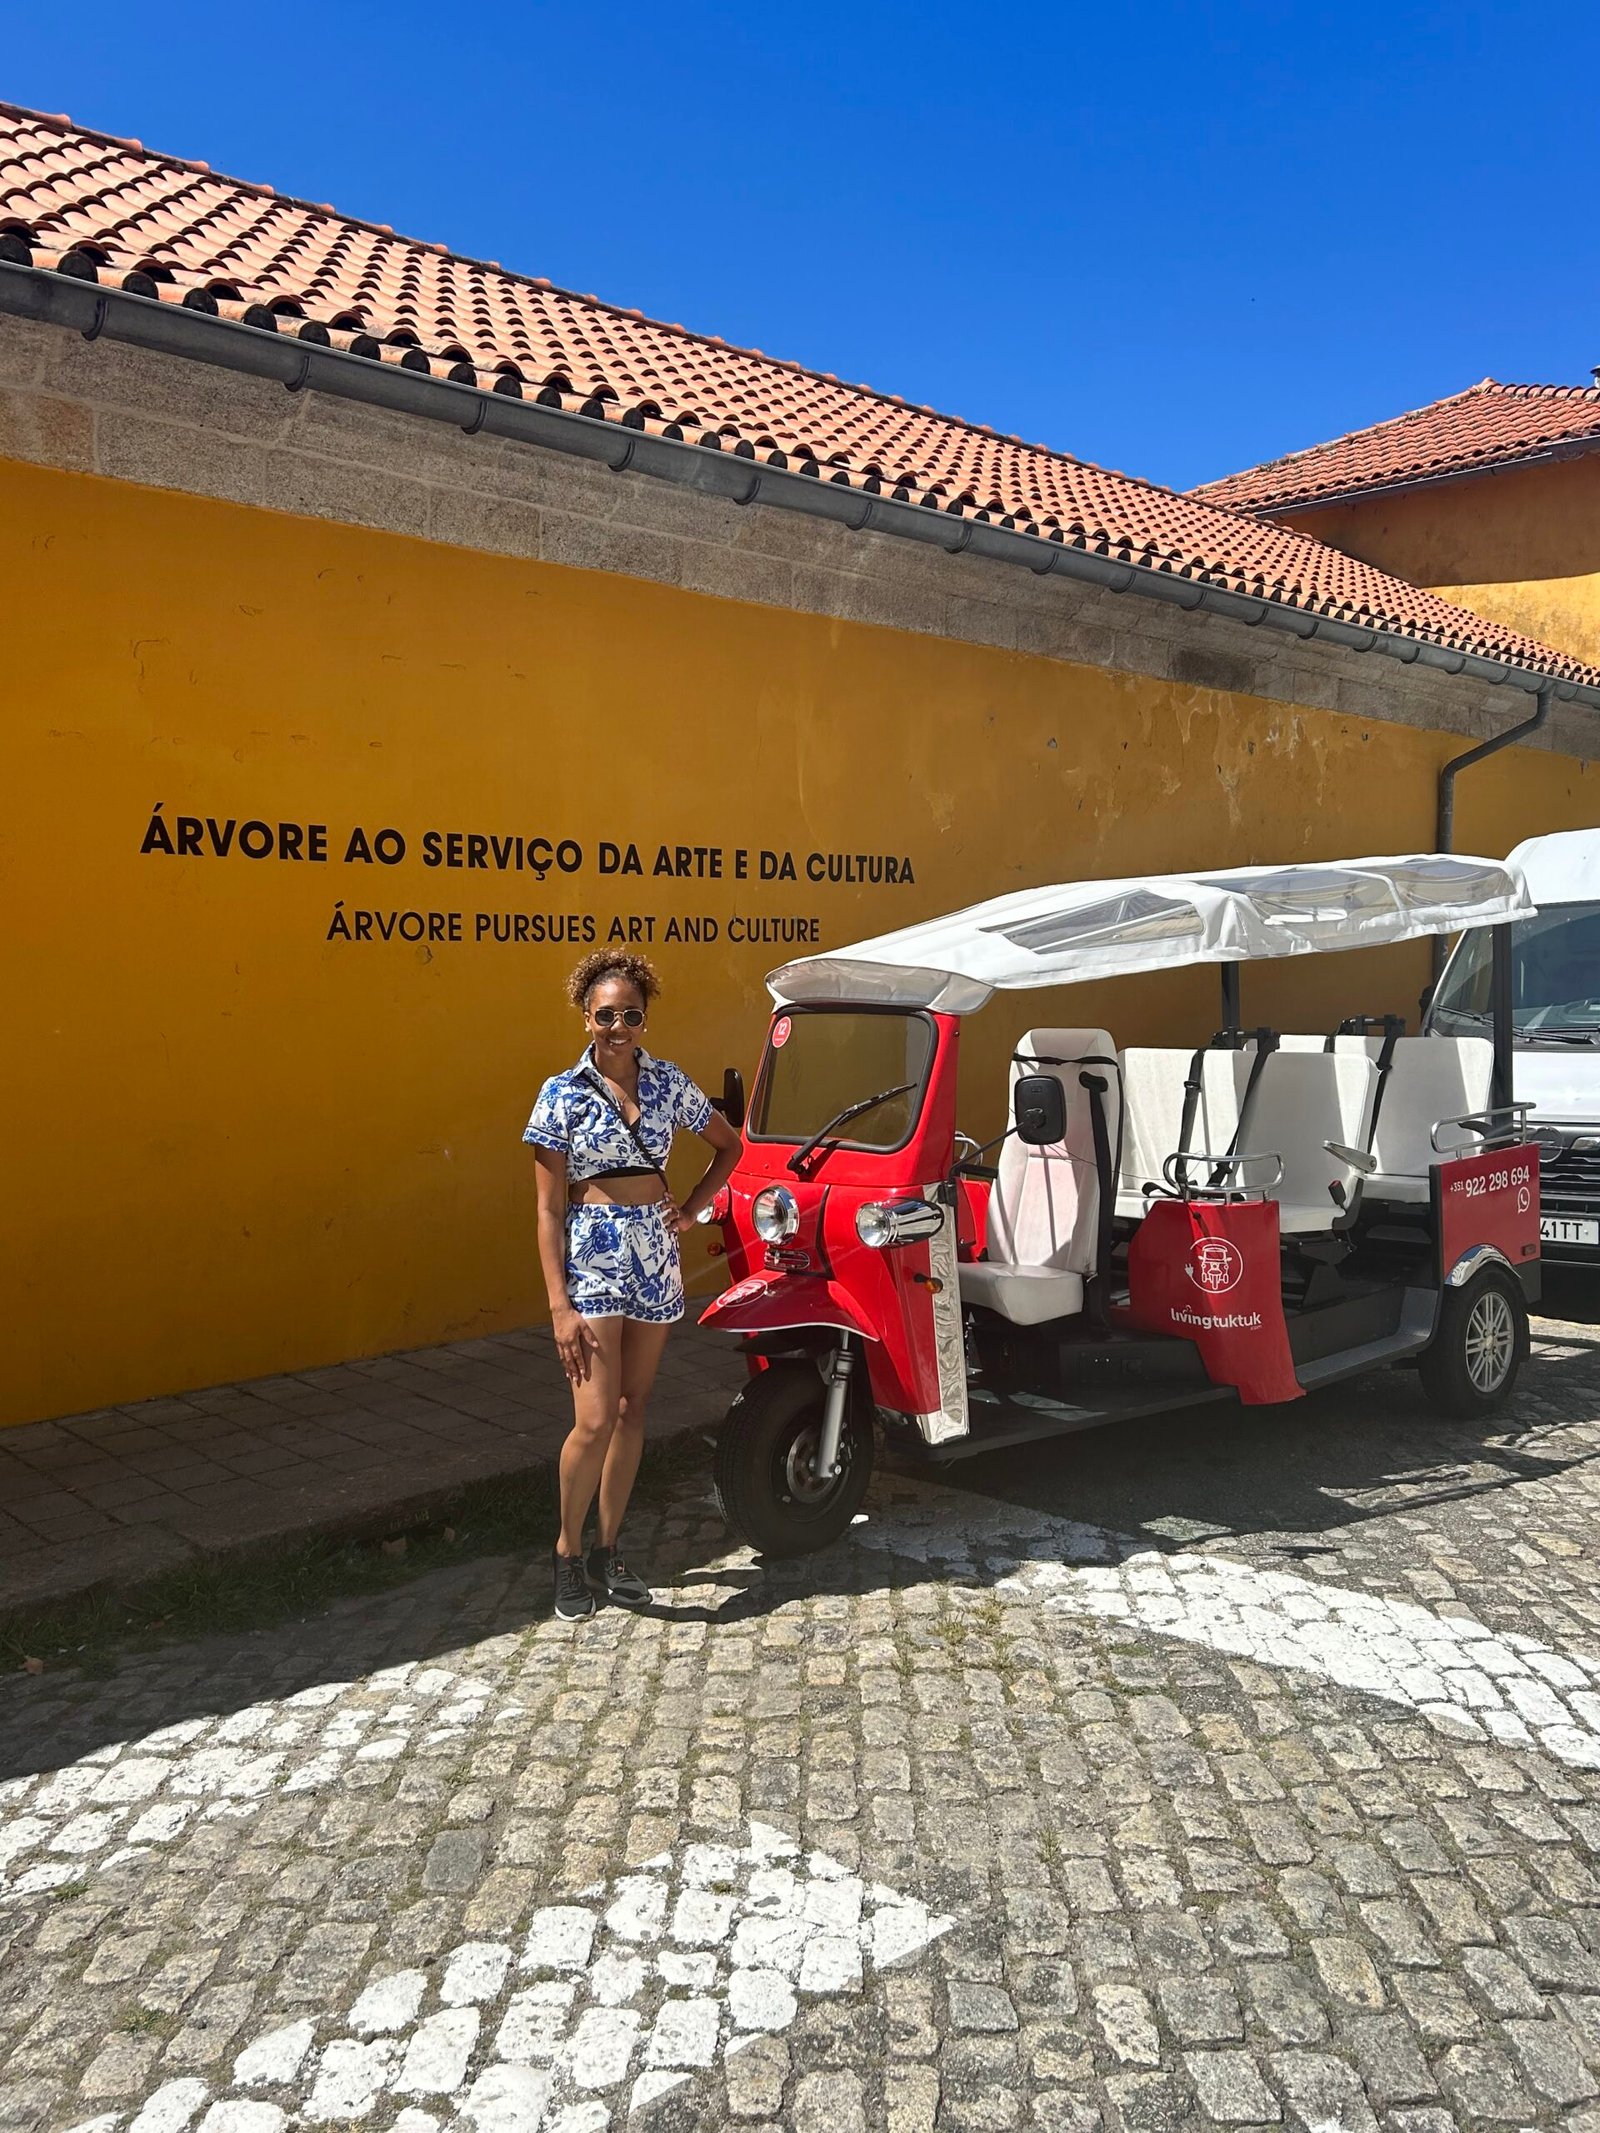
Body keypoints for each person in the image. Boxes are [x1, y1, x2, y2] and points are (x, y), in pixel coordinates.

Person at [524, 950, 742, 1621]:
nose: (618, 1027)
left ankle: (608, 1549)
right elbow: (548, 1210)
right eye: (605, 1015)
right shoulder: (561, 1093)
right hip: (592, 1257)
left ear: (645, 1019)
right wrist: (559, 1306)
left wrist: (694, 1209)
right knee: (593, 1419)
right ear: (586, 1018)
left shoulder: (668, 1082)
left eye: (630, 1015)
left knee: (632, 1408)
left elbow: (729, 1145)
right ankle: (567, 1550)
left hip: (655, 1251)